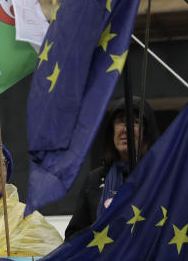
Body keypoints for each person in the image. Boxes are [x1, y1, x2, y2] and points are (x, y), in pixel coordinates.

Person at [65, 97, 160, 239]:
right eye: (121, 121)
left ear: (146, 134)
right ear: (112, 132)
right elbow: (73, 237)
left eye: (135, 122)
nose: (125, 129)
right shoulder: (95, 180)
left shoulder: (161, 176)